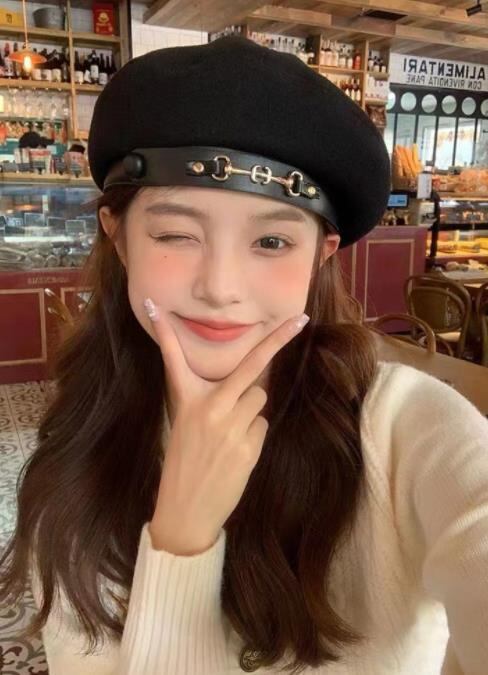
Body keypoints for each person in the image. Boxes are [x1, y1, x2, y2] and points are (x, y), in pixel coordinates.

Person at [0, 36, 487, 675]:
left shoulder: (406, 427)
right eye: (176, 234)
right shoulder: (79, 447)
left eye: (272, 242)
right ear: (119, 238)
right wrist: (180, 537)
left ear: (321, 256)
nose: (221, 288)